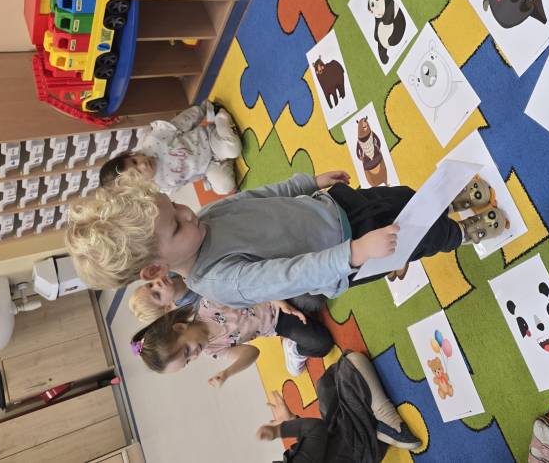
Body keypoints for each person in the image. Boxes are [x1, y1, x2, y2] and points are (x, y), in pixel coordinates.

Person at [66, 170, 508, 307]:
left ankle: (446, 199)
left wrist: (305, 183)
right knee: (418, 238)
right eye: (176, 225)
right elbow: (292, 275)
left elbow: (256, 197)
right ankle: (462, 231)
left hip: (335, 208)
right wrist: (355, 253)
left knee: (401, 198)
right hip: (346, 253)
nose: (187, 212)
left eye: (176, 205)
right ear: (156, 269)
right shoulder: (219, 279)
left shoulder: (201, 221)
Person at [257, 351, 421, 462]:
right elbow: (316, 430)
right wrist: (282, 428)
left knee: (326, 385)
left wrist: (291, 420)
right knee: (351, 362)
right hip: (357, 440)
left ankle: (374, 427)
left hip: (344, 444)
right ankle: (388, 424)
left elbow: (310, 452)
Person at [129, 295, 333, 380]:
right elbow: (252, 352)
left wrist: (277, 299)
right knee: (322, 344)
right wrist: (227, 373)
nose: (194, 355)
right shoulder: (212, 349)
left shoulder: (209, 304)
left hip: (274, 296)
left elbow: (250, 286)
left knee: (315, 301)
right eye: (188, 360)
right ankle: (294, 350)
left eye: (186, 351)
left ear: (181, 327)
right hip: (278, 323)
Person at [99, 100, 241, 195]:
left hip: (210, 140)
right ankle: (225, 161)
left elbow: (183, 121)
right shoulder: (161, 186)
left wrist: (205, 109)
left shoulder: (154, 140)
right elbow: (187, 178)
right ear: (139, 186)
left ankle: (220, 118)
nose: (143, 165)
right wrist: (204, 176)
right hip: (209, 166)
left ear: (131, 154)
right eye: (138, 173)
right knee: (223, 188)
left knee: (233, 149)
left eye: (135, 161)